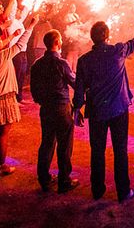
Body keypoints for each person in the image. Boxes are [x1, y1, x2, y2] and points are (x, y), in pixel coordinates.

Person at [73, 19, 134, 202]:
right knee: (120, 150)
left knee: (97, 150)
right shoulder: (117, 51)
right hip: (118, 109)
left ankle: (97, 191)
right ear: (107, 36)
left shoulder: (84, 61)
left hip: (97, 111)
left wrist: (76, 109)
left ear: (92, 38)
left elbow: (79, 87)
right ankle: (123, 192)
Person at [0, 14, 38, 176]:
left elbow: (1, 44)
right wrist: (31, 26)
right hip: (3, 100)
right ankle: (1, 166)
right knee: (2, 134)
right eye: (1, 42)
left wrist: (11, 35)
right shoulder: (2, 56)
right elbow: (20, 45)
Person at [30, 29, 78, 193]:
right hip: (61, 108)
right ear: (57, 43)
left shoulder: (37, 64)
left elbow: (34, 90)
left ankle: (44, 178)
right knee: (64, 145)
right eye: (61, 40)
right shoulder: (61, 63)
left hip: (46, 109)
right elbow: (74, 83)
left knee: (47, 143)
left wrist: (42, 101)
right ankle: (64, 181)